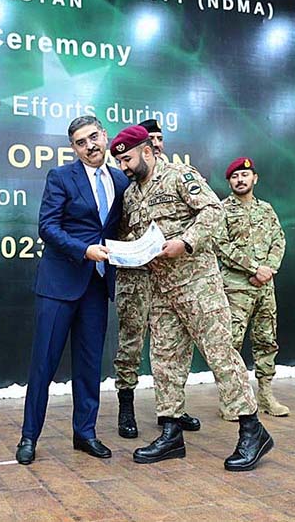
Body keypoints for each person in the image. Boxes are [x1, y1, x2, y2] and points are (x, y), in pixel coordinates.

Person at [110, 125, 273, 471]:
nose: (123, 167)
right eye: (120, 161)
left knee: (220, 355)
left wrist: (185, 242)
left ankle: (251, 429)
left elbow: (213, 213)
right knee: (165, 359)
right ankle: (170, 431)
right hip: (162, 291)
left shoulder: (180, 175)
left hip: (198, 286)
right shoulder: (131, 195)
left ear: (147, 150)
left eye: (127, 159)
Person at [16, 116, 129, 465]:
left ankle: (86, 433)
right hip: (59, 284)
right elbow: (47, 227)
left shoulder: (122, 180)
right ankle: (29, 437)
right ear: (73, 148)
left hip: (97, 285)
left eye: (93, 137)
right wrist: (84, 250)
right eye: (81, 142)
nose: (90, 145)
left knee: (89, 364)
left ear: (105, 136)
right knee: (43, 365)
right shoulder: (61, 177)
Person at [113, 119, 200, 439]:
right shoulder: (128, 188)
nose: (157, 143)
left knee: (175, 347)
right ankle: (126, 406)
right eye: (151, 138)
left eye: (160, 139)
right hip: (135, 277)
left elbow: (204, 216)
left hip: (174, 278)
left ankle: (173, 411)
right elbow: (118, 230)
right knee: (131, 343)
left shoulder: (178, 178)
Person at [217, 157, 289, 421]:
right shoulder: (222, 210)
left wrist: (268, 268)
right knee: (230, 343)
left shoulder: (266, 210)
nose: (240, 180)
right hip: (236, 287)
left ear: (254, 178)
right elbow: (221, 245)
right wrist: (253, 269)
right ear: (229, 182)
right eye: (235, 176)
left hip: (265, 287)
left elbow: (278, 240)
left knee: (266, 341)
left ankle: (266, 396)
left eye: (245, 175)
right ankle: (231, 400)